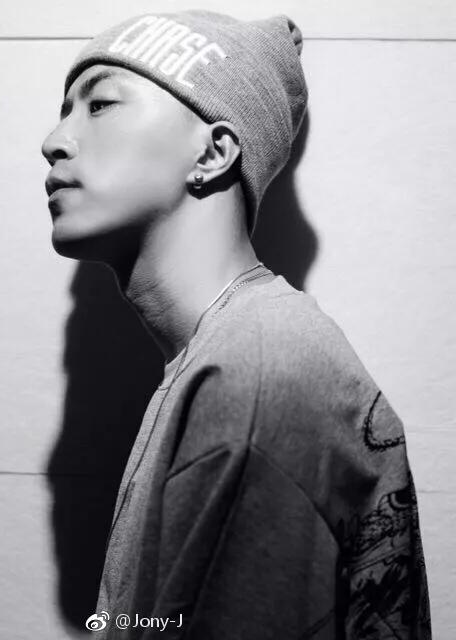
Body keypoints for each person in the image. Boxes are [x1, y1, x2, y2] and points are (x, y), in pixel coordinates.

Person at [41, 10, 431, 639]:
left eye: (101, 104)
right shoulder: (230, 355)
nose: (54, 140)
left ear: (213, 152)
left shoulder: (254, 371)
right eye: (65, 111)